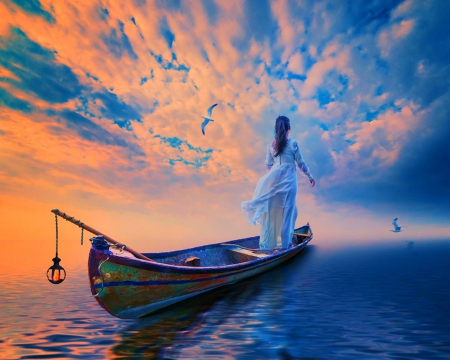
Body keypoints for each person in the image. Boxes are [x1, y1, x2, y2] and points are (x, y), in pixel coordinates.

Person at [241, 115, 315, 250]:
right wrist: (310, 176)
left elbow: (268, 166)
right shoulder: (293, 143)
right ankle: (286, 246)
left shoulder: (271, 145)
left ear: (276, 129)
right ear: (289, 128)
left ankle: (269, 245)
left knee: (273, 212)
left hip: (274, 183)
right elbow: (301, 164)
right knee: (288, 213)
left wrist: (275, 174)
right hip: (290, 182)